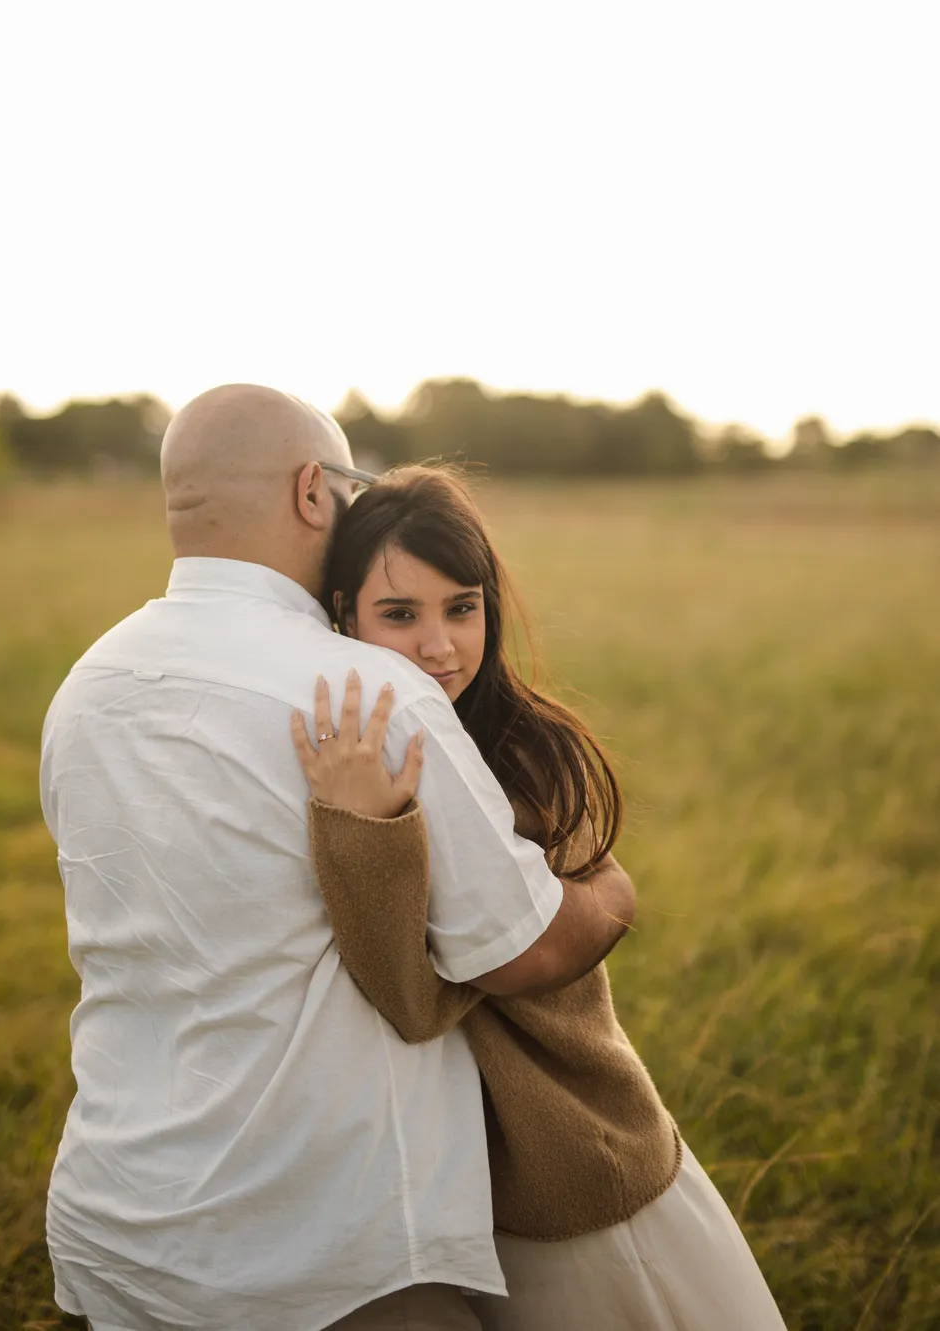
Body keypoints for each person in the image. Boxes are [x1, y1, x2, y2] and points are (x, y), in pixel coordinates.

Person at [39, 384, 635, 1331]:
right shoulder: (364, 689)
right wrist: (611, 891)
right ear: (313, 489)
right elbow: (521, 949)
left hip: (114, 1224)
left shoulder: (85, 686)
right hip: (326, 1244)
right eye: (351, 487)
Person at [293, 464, 789, 1331]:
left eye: (461, 607)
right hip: (445, 1191)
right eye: (399, 614)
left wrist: (361, 828)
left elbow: (416, 997)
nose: (439, 646)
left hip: (566, 1160)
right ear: (343, 613)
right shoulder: (357, 748)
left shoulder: (522, 749)